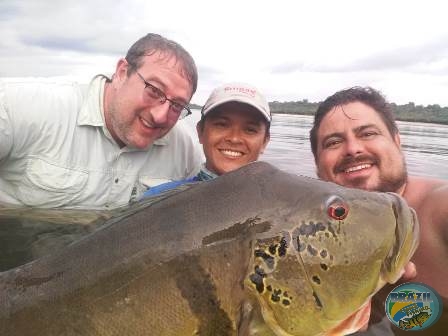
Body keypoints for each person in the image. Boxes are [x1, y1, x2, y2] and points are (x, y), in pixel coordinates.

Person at [0, 33, 203, 210]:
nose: (160, 115)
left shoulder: (184, 151)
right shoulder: (21, 106)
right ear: (122, 72)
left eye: (177, 105)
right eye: (154, 90)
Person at [309, 86, 447, 335]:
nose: (353, 149)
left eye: (368, 133)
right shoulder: (311, 231)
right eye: (333, 142)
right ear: (318, 165)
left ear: (396, 140)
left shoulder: (439, 207)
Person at [142, 82, 271, 197]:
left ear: (265, 142)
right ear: (200, 132)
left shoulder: (280, 202)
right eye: (221, 124)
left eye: (250, 130)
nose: (234, 138)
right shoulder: (156, 198)